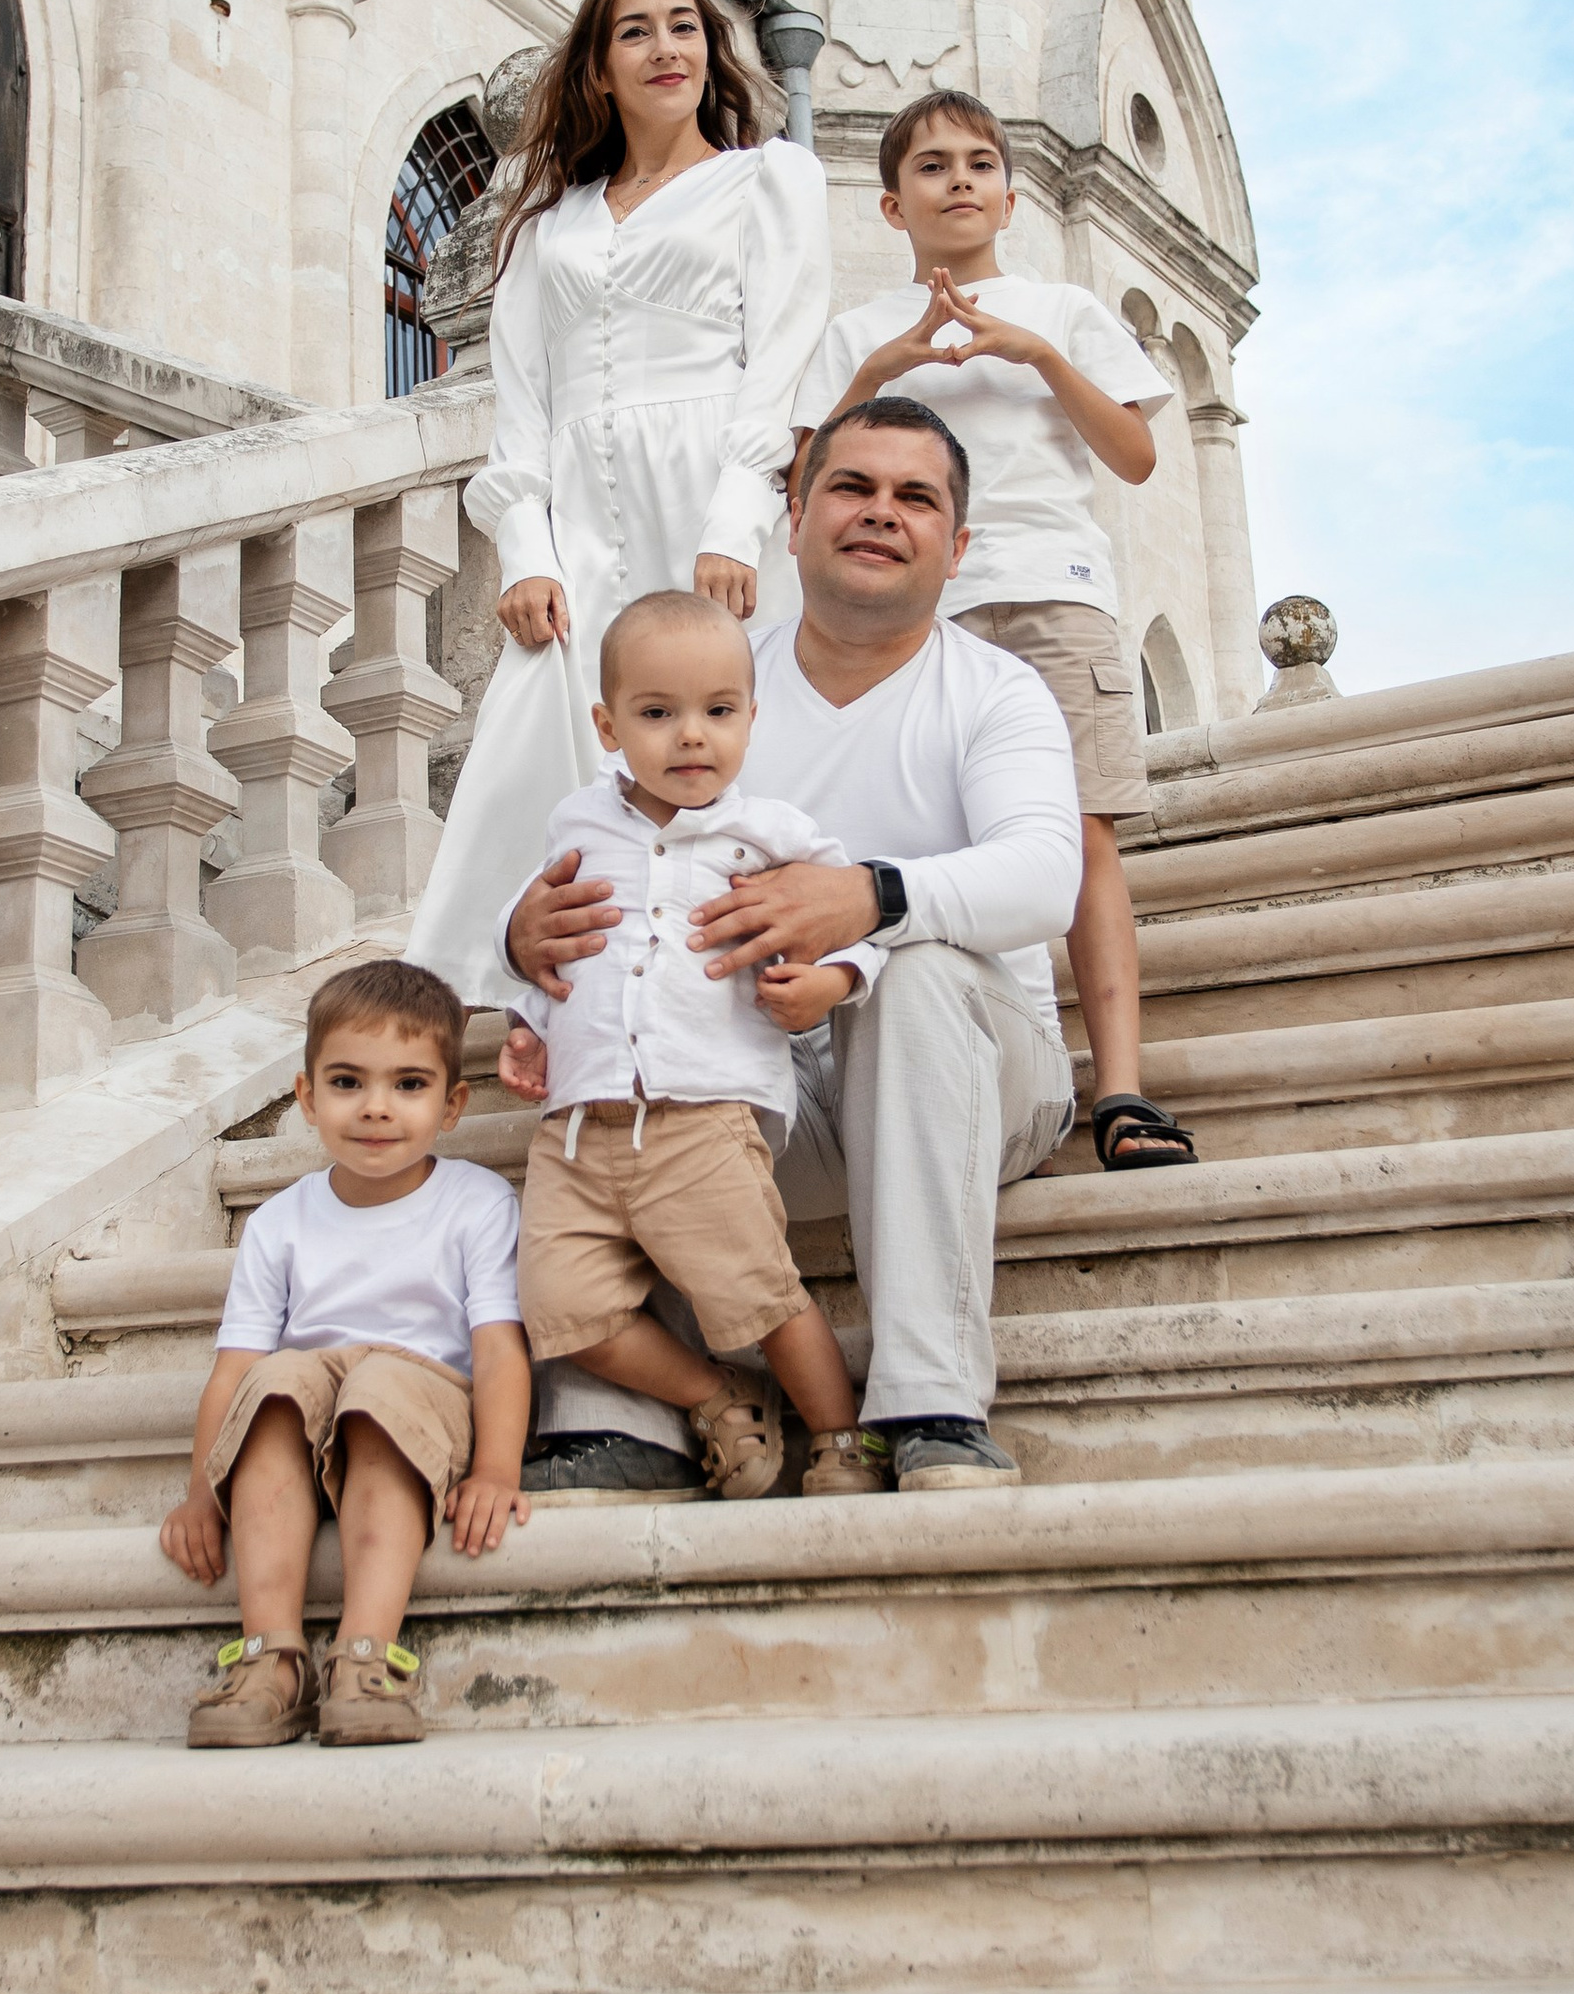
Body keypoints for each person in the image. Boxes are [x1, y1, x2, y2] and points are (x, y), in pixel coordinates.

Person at [508, 398, 1084, 1496]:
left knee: (914, 969)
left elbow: (1046, 878)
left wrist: (866, 898)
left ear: (958, 545)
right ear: (795, 517)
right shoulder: (711, 679)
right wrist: (523, 934)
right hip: (768, 1092)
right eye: (851, 487)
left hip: (970, 1078)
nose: (880, 513)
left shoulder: (996, 692)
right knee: (630, 1050)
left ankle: (930, 1402)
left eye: (915, 498)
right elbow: (606, 853)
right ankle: (626, 1416)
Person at [402, 0, 832, 1010]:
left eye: (684, 26)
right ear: (598, 68)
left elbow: (780, 363)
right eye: (635, 31)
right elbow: (521, 403)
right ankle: (524, 995)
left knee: (723, 735)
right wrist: (524, 547)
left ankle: (732, 987)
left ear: (710, 53)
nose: (665, 48)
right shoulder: (546, 226)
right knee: (542, 731)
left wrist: (737, 520)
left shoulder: (769, 179)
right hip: (579, 515)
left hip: (708, 494)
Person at [798, 88, 1193, 1175]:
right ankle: (971, 1066)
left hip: (1054, 591)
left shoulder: (1061, 309)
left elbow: (1135, 456)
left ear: (1011, 198)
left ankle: (1119, 1087)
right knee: (940, 839)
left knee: (1083, 835)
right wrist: (884, 371)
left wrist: (1035, 354)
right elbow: (804, 481)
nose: (959, 181)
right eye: (931, 167)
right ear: (891, 205)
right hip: (916, 616)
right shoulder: (856, 332)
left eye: (979, 164)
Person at [497, 588, 877, 1503]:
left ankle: (841, 1437)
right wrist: (527, 1021)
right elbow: (562, 946)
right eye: (658, 714)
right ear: (608, 727)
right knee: (560, 1309)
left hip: (703, 1117)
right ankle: (716, 1394)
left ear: (752, 718)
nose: (692, 736)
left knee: (758, 1293)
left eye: (718, 711)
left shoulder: (771, 835)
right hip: (576, 1127)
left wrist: (835, 979)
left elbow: (858, 921)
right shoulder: (576, 825)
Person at [161, 958, 530, 1748]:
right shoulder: (279, 1222)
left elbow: (499, 1349)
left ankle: (366, 1657)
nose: (375, 1107)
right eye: (346, 1082)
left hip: (415, 1402)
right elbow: (233, 1370)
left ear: (453, 1104)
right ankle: (271, 1659)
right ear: (306, 1097)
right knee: (276, 1379)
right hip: (310, 1411)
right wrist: (200, 1494)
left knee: (378, 1387)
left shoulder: (476, 1203)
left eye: (408, 1084)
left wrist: (498, 1469)